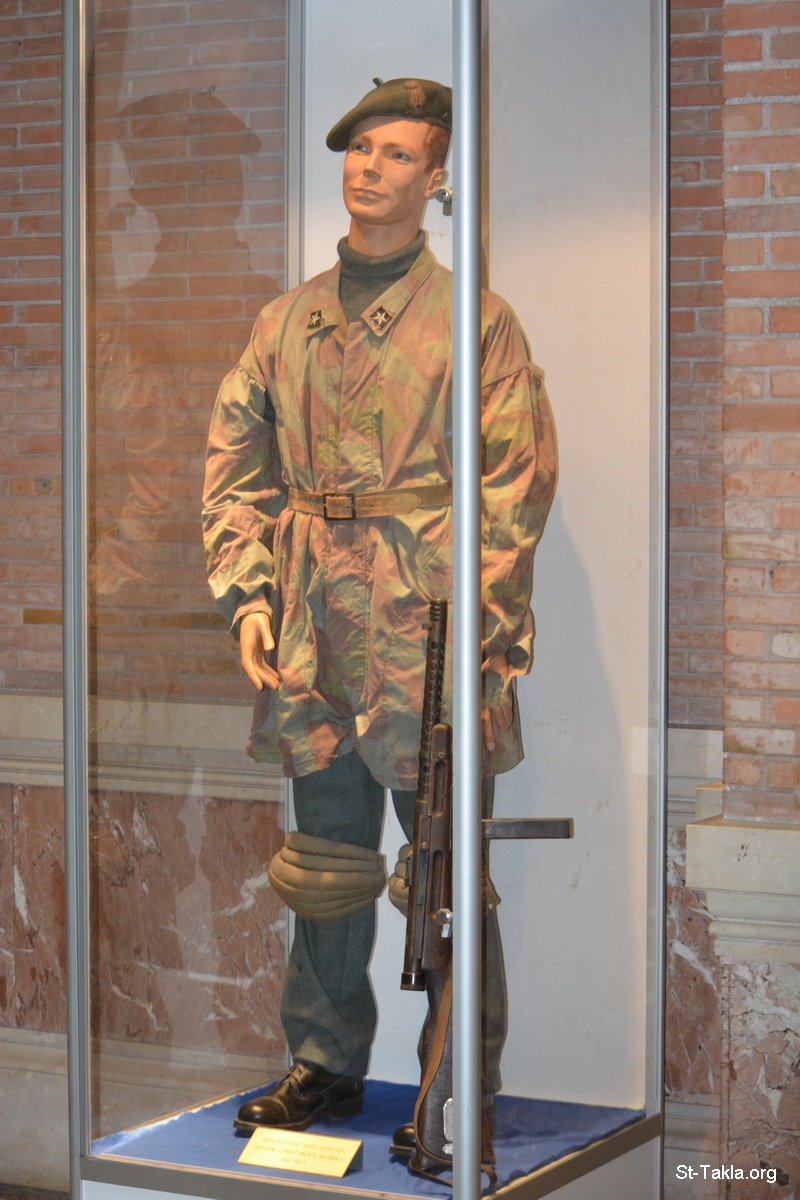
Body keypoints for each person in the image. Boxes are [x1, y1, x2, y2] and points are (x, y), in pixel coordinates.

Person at [202, 76, 557, 1139]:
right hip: (311, 627)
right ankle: (322, 1063)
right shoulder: (285, 323)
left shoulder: (474, 324)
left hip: (426, 625)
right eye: (360, 149)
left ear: (436, 178)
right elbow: (233, 473)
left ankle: (460, 1081)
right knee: (325, 863)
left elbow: (514, 489)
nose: (371, 168)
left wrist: (485, 638)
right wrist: (249, 600)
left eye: (398, 153)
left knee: (445, 869)